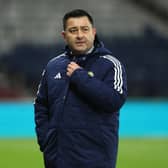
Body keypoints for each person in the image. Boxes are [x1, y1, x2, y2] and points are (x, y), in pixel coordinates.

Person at [34, 9, 127, 168]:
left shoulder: (111, 64)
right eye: (73, 30)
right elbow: (41, 104)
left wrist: (80, 76)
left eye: (85, 29)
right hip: (57, 159)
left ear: (94, 32)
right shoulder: (53, 66)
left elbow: (114, 100)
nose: (79, 35)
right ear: (64, 35)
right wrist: (46, 139)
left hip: (96, 159)